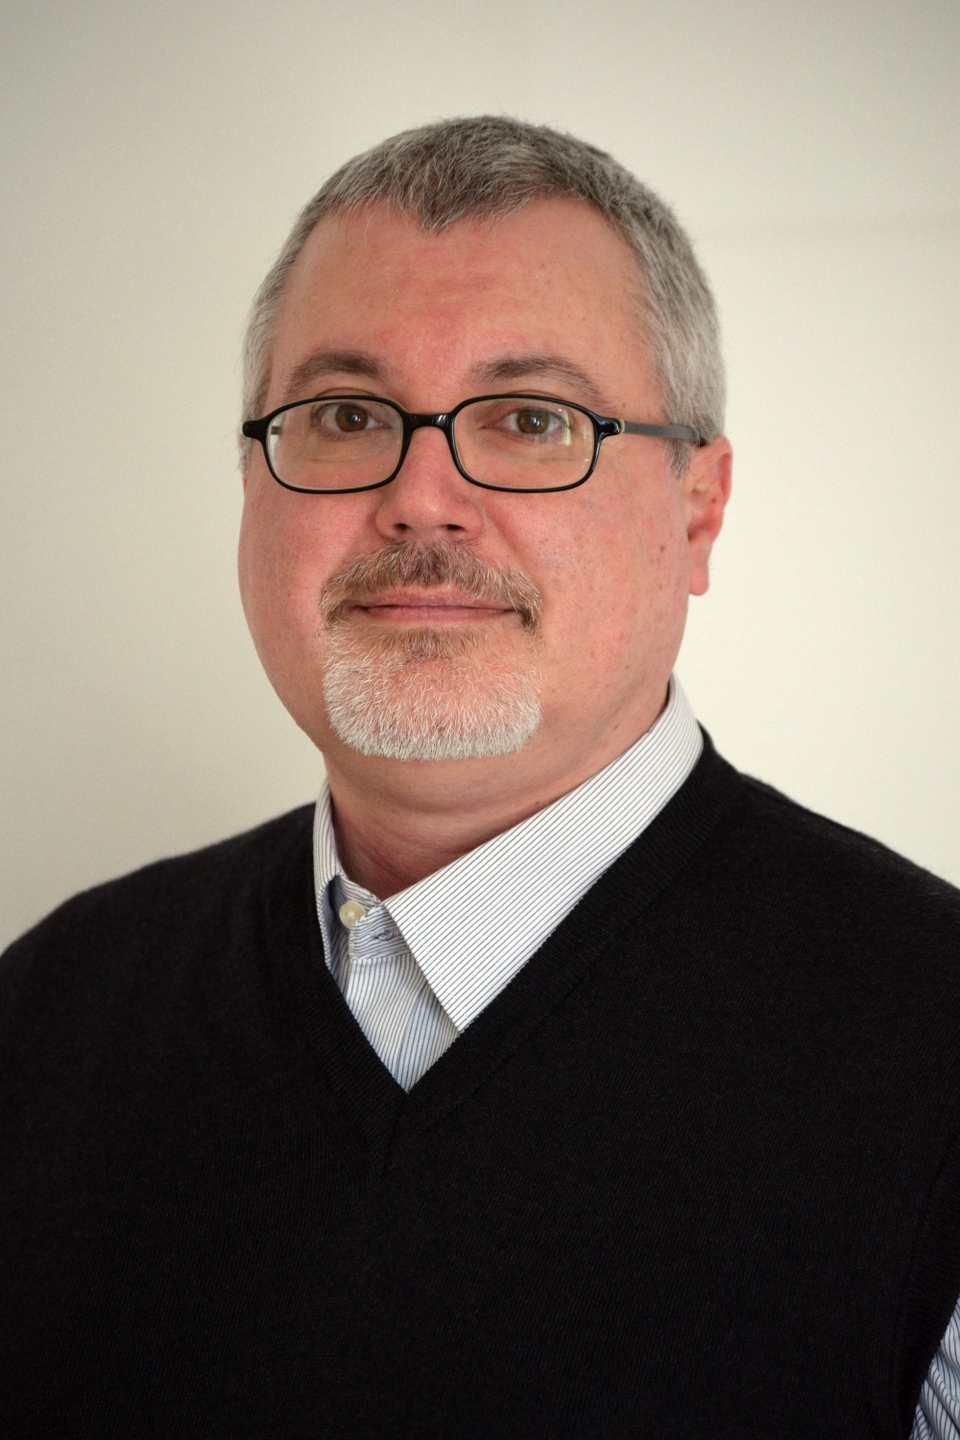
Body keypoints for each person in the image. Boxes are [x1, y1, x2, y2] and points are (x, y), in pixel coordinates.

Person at [2, 116, 959, 1440]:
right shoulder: (48, 1012)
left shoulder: (931, 1052)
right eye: (346, 415)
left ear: (698, 507)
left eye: (529, 419)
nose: (422, 497)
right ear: (251, 482)